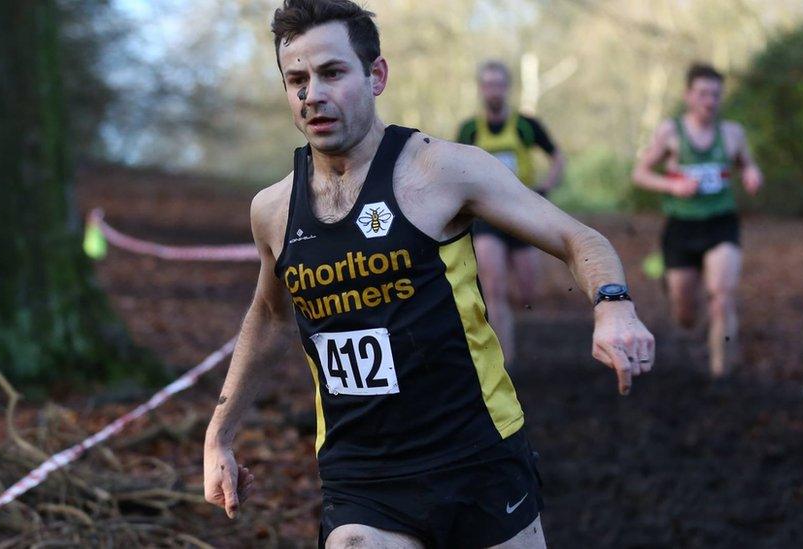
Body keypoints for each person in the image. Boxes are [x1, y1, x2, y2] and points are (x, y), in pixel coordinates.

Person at [203, 1, 654, 547]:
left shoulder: (443, 170)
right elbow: (271, 316)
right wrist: (218, 437)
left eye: (332, 73)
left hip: (477, 455)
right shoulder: (273, 209)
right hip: (362, 473)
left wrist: (613, 305)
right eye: (295, 79)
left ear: (376, 76)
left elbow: (577, 238)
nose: (312, 94)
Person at [632, 63, 763, 378]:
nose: (710, 100)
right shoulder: (670, 132)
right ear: (688, 95)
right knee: (686, 316)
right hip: (681, 227)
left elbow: (747, 163)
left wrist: (751, 173)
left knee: (722, 297)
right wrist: (673, 185)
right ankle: (676, 290)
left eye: (716, 94)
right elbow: (640, 173)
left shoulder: (732, 133)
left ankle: (721, 374)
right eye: (703, 93)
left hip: (721, 224)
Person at [456, 61, 565, 366]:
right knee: (494, 289)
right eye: (488, 84)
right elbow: (455, 168)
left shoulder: (525, 124)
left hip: (522, 213)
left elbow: (557, 157)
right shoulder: (469, 129)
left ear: (507, 88)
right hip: (486, 217)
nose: (493, 90)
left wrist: (546, 186)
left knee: (528, 293)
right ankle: (506, 364)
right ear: (481, 89)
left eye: (499, 84)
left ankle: (513, 323)